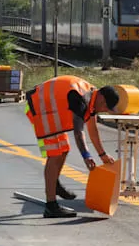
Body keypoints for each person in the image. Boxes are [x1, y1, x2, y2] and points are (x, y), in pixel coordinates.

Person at [24, 76, 121, 218]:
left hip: (49, 108)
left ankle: (54, 184)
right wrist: (86, 156)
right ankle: (51, 206)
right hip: (40, 107)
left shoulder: (92, 98)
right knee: (55, 154)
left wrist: (102, 154)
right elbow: (78, 131)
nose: (104, 110)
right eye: (106, 107)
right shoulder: (82, 99)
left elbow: (92, 130)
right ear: (101, 97)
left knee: (64, 149)